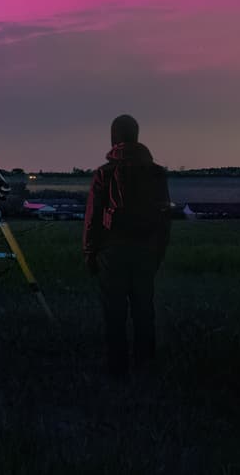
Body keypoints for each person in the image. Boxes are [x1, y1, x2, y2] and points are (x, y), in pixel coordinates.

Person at [83, 114, 171, 378]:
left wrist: (90, 252)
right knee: (144, 309)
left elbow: (92, 218)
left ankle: (116, 367)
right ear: (137, 135)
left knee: (114, 311)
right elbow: (164, 217)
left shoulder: (104, 174)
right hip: (146, 249)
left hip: (112, 252)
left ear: (114, 137)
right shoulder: (156, 173)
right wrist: (158, 252)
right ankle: (146, 363)